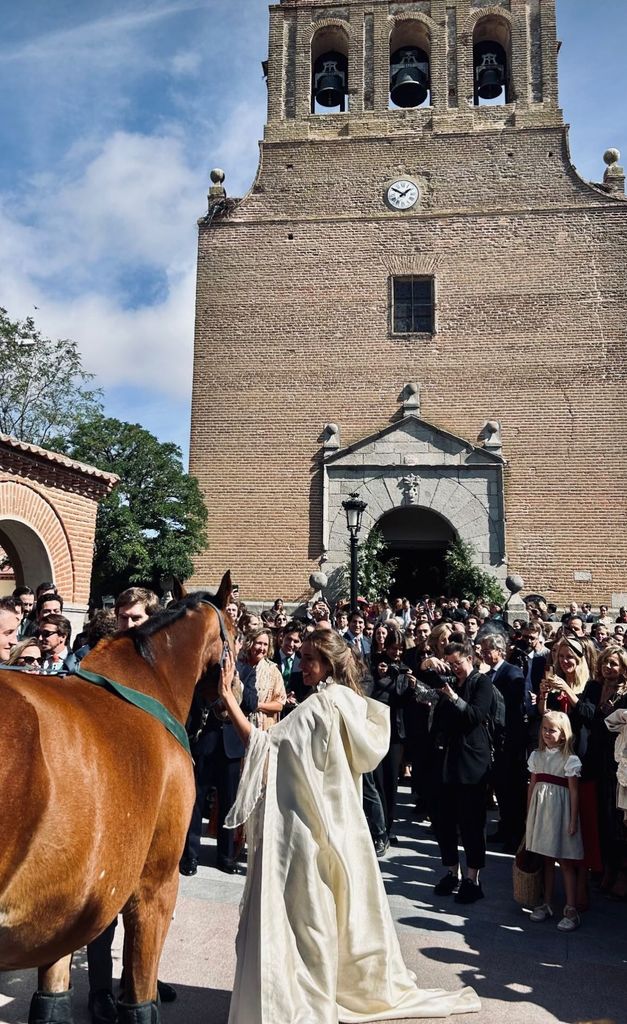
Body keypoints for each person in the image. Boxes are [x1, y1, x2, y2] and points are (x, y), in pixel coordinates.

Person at [218, 630, 480, 1023]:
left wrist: (226, 697)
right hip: (342, 822)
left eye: (310, 658)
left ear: (330, 662)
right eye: (302, 656)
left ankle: (303, 994)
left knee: (308, 918)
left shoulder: (321, 706)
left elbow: (262, 744)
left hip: (308, 825)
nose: (303, 665)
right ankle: (326, 986)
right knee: (333, 912)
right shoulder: (350, 701)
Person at [526, 711, 584, 932]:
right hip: (541, 813)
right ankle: (547, 903)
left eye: (552, 730)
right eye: (544, 728)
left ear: (563, 734)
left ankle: (571, 908)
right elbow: (532, 786)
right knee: (546, 859)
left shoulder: (569, 760)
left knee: (565, 861)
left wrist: (573, 820)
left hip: (560, 814)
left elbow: (574, 792)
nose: (547, 733)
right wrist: (529, 813)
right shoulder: (536, 756)